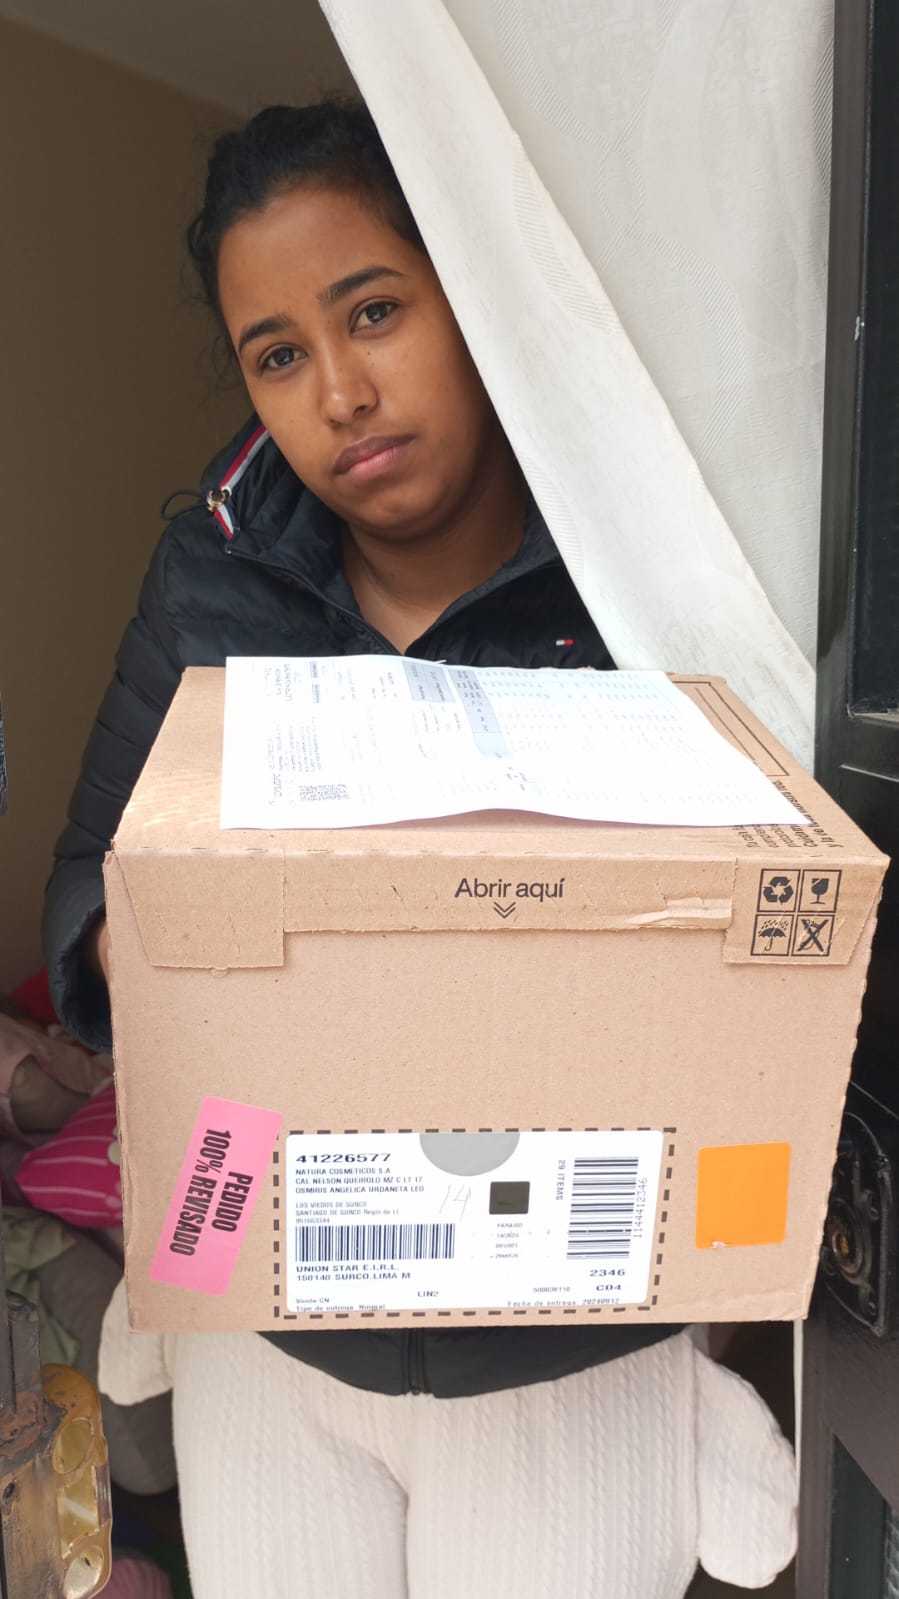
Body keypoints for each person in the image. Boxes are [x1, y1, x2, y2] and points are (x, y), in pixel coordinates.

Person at [43, 101, 794, 1598]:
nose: (340, 394)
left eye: (374, 312)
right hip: (272, 1329)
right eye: (277, 355)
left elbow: (764, 936)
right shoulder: (210, 577)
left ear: (474, 294)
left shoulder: (641, 568)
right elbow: (86, 891)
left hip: (573, 1339)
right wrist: (160, 947)